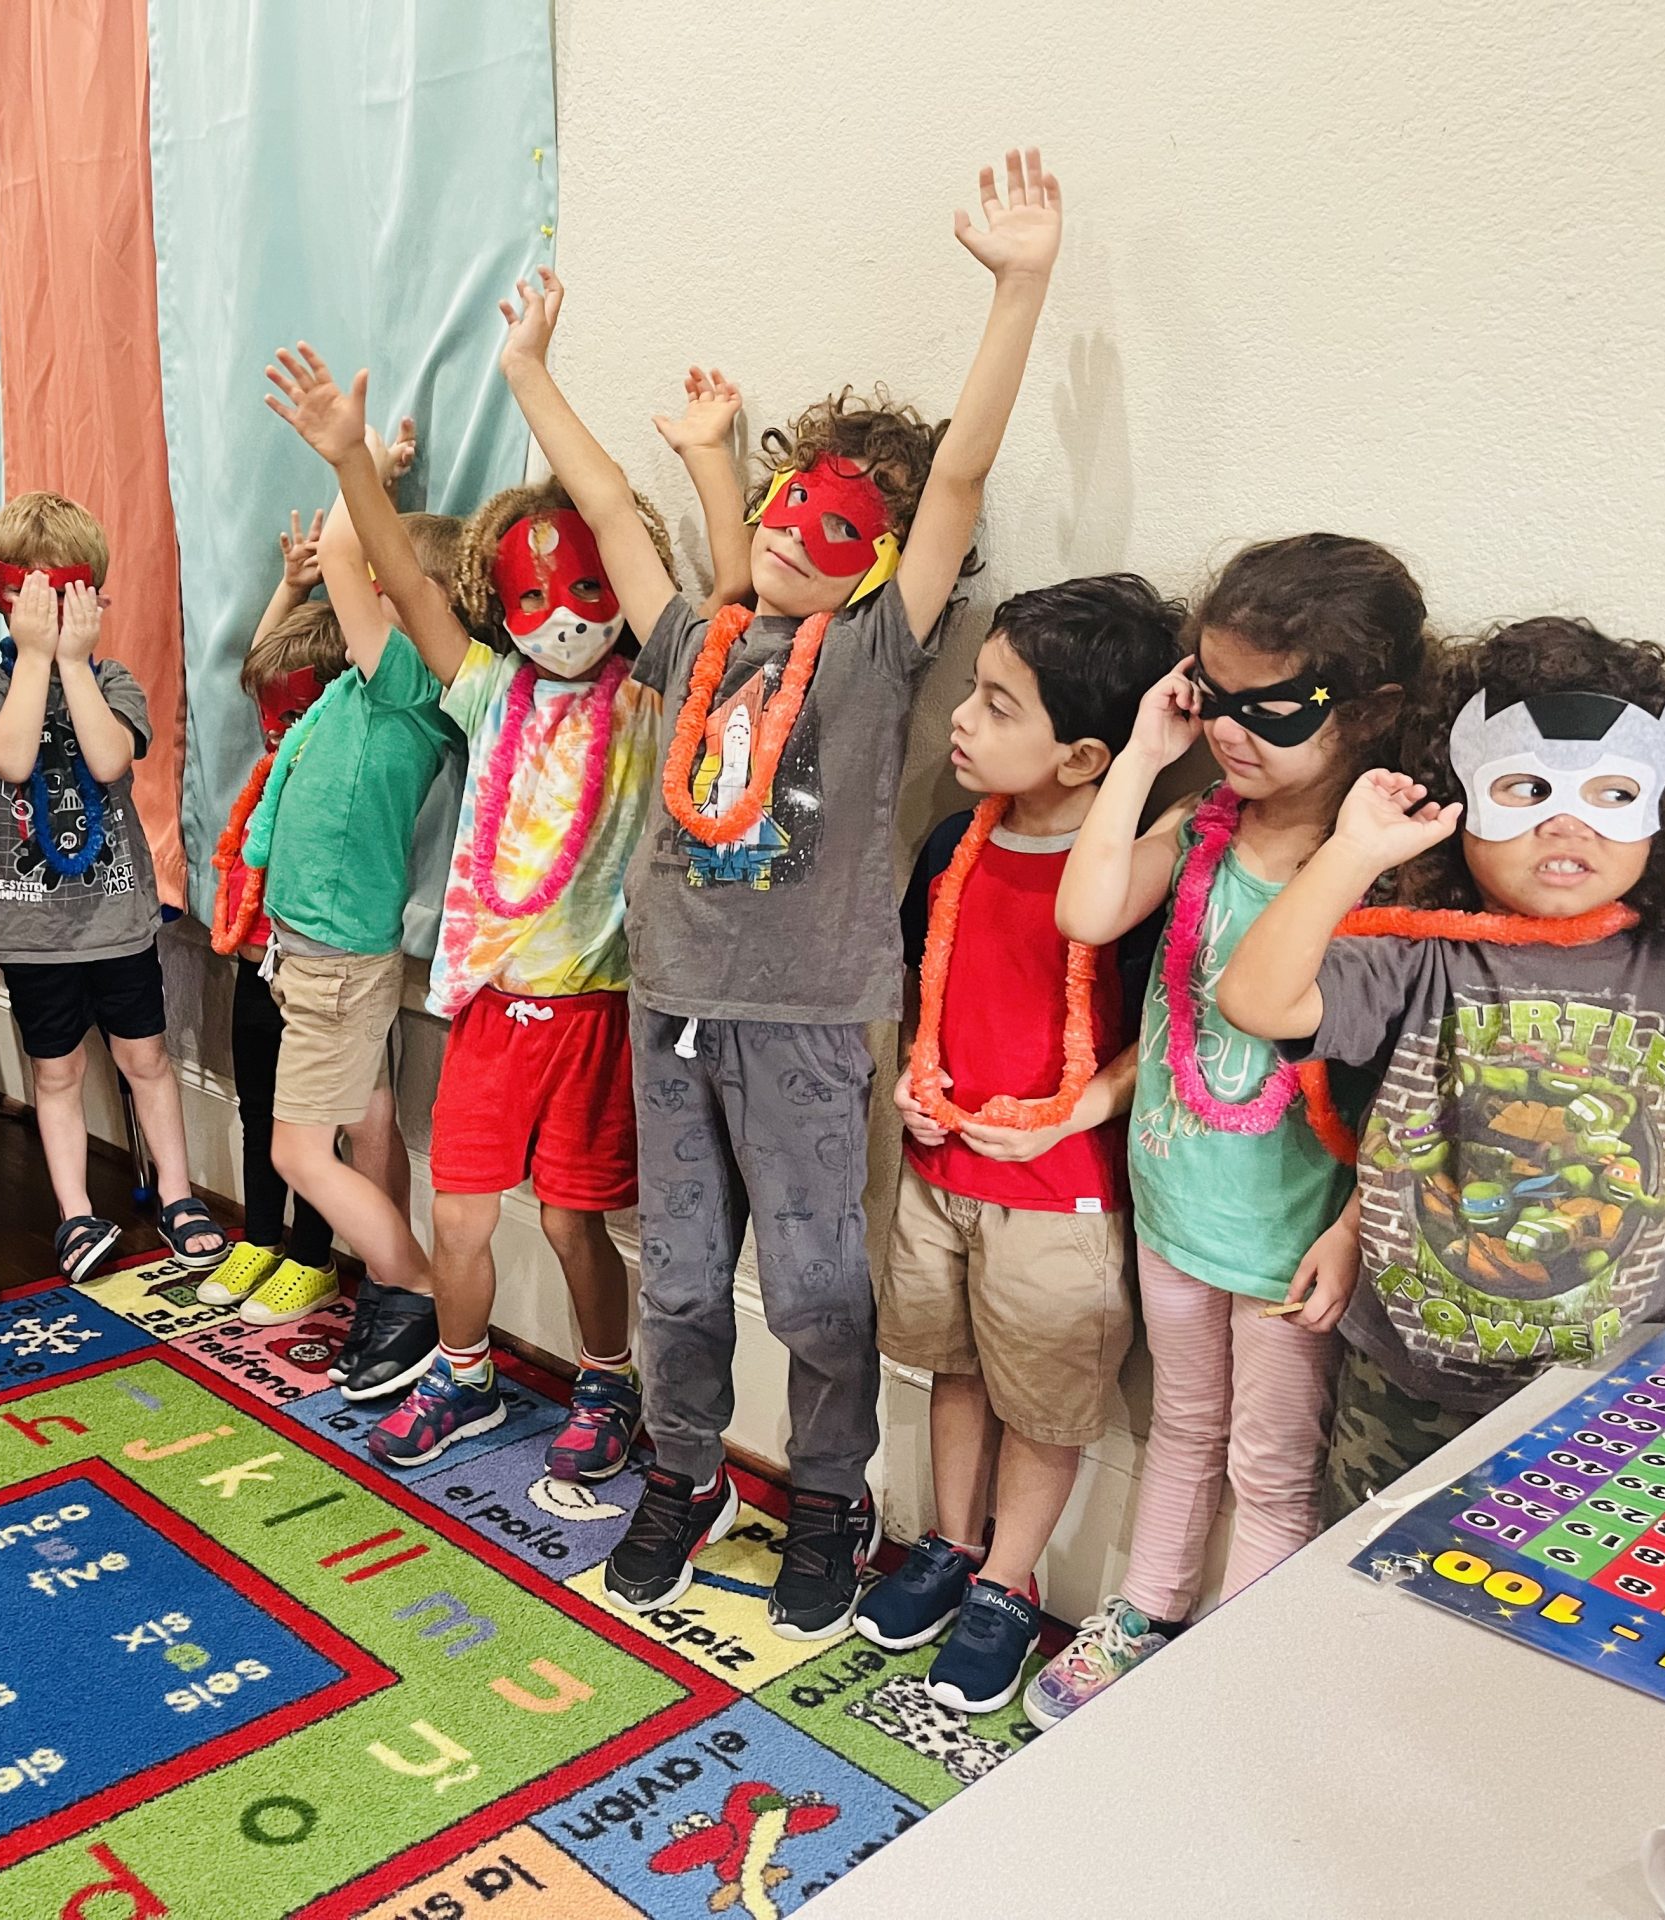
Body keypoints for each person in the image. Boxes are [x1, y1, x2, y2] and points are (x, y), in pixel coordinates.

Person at [484, 147, 1064, 1638]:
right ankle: (683, 1474)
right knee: (677, 1283)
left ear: (876, 566)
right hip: (672, 1007)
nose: (805, 535)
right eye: (786, 510)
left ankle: (827, 1496)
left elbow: (961, 481)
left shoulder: (875, 660)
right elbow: (617, 520)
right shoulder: (695, 644)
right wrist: (534, 372)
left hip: (806, 1023)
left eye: (840, 527)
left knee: (814, 1288)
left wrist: (1019, 288)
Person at [269, 346, 752, 1480]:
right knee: (462, 1219)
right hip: (492, 1007)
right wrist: (352, 466)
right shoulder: (485, 689)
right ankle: (464, 1371)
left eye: (585, 587)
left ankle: (603, 1378)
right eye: (531, 593)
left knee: (578, 1223)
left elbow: (722, 604)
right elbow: (405, 579)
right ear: (498, 600)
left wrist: (711, 463)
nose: (561, 615)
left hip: (592, 1012)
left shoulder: (645, 703)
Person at [1216, 615, 1665, 1522]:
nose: (1566, 822)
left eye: (1611, 794)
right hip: (1405, 1382)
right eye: (1527, 789)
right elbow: (1258, 1001)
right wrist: (1352, 853)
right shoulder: (1422, 959)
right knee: (1370, 1592)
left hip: (1600, 1394)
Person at [1041, 531, 1429, 1722]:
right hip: (1173, 1199)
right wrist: (1145, 757)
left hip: (1285, 1232)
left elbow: (1422, 1079)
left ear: (1368, 714)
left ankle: (1234, 1668)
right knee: (1179, 1424)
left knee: (1269, 1468)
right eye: (1213, 694)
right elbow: (1088, 904)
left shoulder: (1383, 869)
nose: (1230, 728)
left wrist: (1359, 1227)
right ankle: (1148, 1607)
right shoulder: (1207, 817)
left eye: (1275, 707)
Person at [854, 575, 1181, 1715]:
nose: (963, 716)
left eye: (999, 704)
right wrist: (911, 1078)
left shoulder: (1138, 870)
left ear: (1086, 757)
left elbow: (1168, 1033)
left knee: (1040, 1399)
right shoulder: (953, 841)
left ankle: (1006, 1580)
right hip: (938, 1173)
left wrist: (1083, 1105)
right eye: (974, 691)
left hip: (1059, 1194)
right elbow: (924, 986)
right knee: (949, 1364)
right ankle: (950, 1543)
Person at [241, 399, 467, 1399]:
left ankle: (408, 1285)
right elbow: (330, 575)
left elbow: (341, 550)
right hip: (318, 950)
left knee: (298, 1148)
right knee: (366, 1123)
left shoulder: (407, 682)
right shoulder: (357, 684)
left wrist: (361, 459)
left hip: (334, 954)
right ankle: (393, 1285)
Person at [0, 491, 227, 1284]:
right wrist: (33, 656)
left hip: (118, 920)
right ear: (8, 602)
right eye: (26, 596)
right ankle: (74, 1209)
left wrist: (71, 659)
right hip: (35, 934)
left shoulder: (115, 680)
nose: (44, 609)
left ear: (94, 598)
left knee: (147, 1058)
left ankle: (177, 1192)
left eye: (62, 593)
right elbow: (6, 757)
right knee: (57, 1072)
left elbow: (109, 761)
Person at [199, 512, 368, 1315]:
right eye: (274, 716)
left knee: (314, 1120)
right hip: (253, 953)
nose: (278, 729)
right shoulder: (275, 757)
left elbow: (367, 662)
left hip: (322, 961)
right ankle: (261, 1238)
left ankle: (312, 1253)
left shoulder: (351, 746)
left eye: (295, 715)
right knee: (256, 1104)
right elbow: (259, 669)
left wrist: (375, 492)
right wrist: (293, 585)